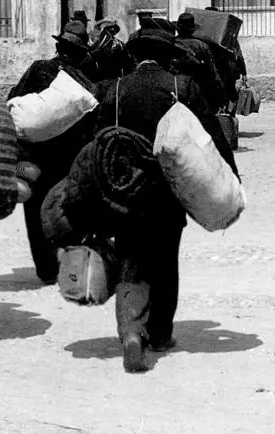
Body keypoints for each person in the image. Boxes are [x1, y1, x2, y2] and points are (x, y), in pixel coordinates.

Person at [94, 19, 238, 373]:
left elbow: (97, 142)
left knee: (130, 260)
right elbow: (210, 137)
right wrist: (230, 174)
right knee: (165, 261)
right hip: (168, 192)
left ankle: (131, 331)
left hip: (125, 192)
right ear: (166, 55)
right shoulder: (182, 86)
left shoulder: (114, 91)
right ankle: (159, 334)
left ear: (136, 54)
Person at [9, 19, 98, 285]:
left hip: (36, 157)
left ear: (59, 46)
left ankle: (46, 270)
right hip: (70, 157)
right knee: (70, 211)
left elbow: (15, 100)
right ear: (82, 51)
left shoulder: (39, 69)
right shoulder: (85, 79)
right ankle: (72, 270)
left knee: (36, 211)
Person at [173, 11, 224, 112]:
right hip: (197, 92)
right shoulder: (202, 46)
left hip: (174, 90)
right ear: (192, 30)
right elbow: (212, 73)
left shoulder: (170, 44)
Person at [86, 16, 133, 83]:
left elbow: (126, 65)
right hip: (97, 78)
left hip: (111, 79)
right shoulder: (93, 42)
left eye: (113, 29)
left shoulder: (118, 45)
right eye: (109, 29)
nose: (112, 31)